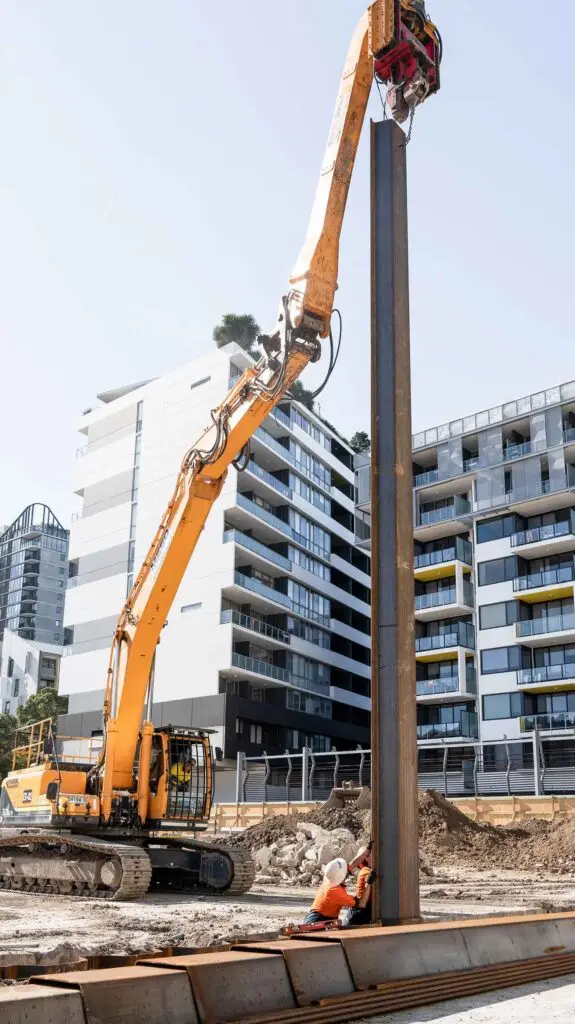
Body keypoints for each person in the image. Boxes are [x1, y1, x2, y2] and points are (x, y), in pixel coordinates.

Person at [303, 857, 374, 926]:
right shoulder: (335, 891)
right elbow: (361, 904)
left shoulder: (330, 877)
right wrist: (368, 883)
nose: (348, 870)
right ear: (343, 875)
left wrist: (367, 848)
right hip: (317, 921)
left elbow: (353, 864)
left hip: (319, 918)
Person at [344, 845, 374, 926]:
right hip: (359, 914)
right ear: (366, 858)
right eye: (371, 853)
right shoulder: (365, 871)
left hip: (361, 912)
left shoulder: (367, 870)